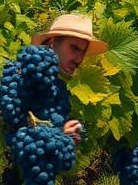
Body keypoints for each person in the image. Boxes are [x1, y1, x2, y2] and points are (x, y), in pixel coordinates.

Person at [32, 14, 109, 143]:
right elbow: (21, 131)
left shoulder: (59, 86)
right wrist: (59, 136)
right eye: (74, 48)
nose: (79, 59)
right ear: (52, 43)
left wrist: (62, 135)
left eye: (83, 52)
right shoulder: (29, 77)